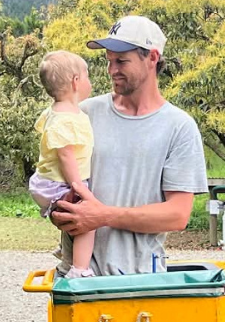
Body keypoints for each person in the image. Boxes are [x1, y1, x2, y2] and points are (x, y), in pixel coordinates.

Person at [52, 16, 208, 276]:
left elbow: (177, 215)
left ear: (152, 58)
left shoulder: (179, 127)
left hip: (142, 281)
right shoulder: (83, 114)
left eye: (122, 61)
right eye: (109, 61)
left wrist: (103, 216)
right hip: (76, 280)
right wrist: (58, 211)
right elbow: (57, 183)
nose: (112, 69)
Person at [29, 51, 95, 279]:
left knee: (73, 217)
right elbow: (66, 156)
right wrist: (79, 187)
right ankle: (79, 269)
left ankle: (65, 249)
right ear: (76, 82)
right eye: (87, 76)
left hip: (48, 181)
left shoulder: (56, 111)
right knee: (87, 221)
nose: (91, 82)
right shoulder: (67, 119)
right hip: (60, 183)